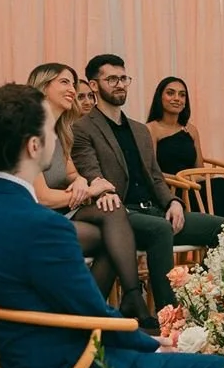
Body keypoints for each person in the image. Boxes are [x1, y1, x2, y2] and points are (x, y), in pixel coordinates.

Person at [0, 84, 224, 368]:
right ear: (34, 146)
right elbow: (92, 313)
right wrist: (151, 342)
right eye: (50, 130)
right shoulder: (43, 226)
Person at [71, 55, 224, 311]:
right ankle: (168, 314)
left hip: (155, 210)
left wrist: (174, 202)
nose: (120, 84)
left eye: (123, 78)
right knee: (159, 229)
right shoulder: (82, 129)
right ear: (93, 85)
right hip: (120, 215)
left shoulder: (139, 130)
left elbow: (156, 176)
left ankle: (209, 301)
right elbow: (91, 173)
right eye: (111, 79)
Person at [28, 62, 146, 320]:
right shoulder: (31, 131)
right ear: (43, 86)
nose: (72, 88)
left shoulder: (61, 130)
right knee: (113, 238)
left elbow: (71, 173)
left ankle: (120, 301)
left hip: (62, 213)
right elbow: (42, 198)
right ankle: (98, 309)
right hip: (35, 220)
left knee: (112, 210)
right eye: (64, 82)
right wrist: (90, 192)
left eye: (73, 82)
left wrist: (82, 182)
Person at [146, 76, 224, 223]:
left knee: (221, 186)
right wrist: (183, 180)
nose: (177, 98)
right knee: (219, 188)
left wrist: (194, 179)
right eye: (170, 93)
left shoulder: (191, 130)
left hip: (193, 185)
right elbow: (151, 171)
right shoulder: (151, 129)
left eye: (182, 95)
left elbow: (200, 170)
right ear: (160, 97)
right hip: (172, 189)